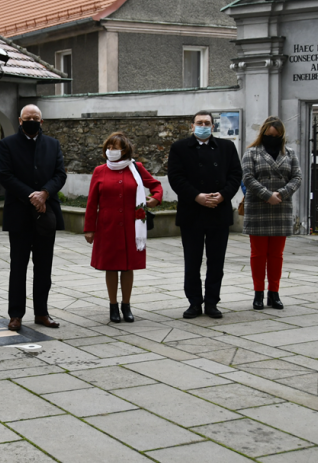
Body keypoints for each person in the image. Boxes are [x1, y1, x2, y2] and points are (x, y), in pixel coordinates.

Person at [0, 104, 67, 331]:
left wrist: (45, 193)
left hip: (45, 214)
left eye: (35, 118)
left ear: (41, 121)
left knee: (44, 266)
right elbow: (5, 176)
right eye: (28, 117)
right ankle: (15, 315)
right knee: (18, 266)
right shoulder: (7, 144)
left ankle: (42, 313)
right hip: (19, 213)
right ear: (20, 120)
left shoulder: (53, 144)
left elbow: (60, 174)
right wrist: (32, 196)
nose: (32, 121)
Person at [168, 110, 242, 319]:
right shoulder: (179, 147)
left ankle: (212, 302)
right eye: (199, 122)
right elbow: (175, 177)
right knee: (192, 260)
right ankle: (194, 302)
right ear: (192, 126)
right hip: (192, 212)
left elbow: (235, 175)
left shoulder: (226, 147)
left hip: (218, 211)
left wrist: (223, 196)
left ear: (213, 126)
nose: (203, 125)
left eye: (207, 123)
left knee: (216, 261)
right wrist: (197, 196)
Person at [84, 132, 162, 323]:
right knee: (111, 267)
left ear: (125, 150)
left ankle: (126, 305)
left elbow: (156, 186)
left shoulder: (136, 168)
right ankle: (113, 306)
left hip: (132, 227)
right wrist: (89, 228)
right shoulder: (99, 171)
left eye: (115, 147)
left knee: (127, 268)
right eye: (108, 148)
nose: (111, 151)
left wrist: (155, 199)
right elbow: (92, 202)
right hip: (107, 226)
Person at [242, 116, 302, 311]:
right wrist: (267, 195)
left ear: (282, 136)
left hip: (281, 208)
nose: (272, 138)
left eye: (276, 136)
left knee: (276, 255)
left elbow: (297, 177)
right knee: (258, 254)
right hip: (258, 208)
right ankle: (258, 293)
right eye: (268, 135)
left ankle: (274, 293)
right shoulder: (251, 153)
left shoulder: (290, 154)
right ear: (262, 134)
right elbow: (248, 177)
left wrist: (281, 194)